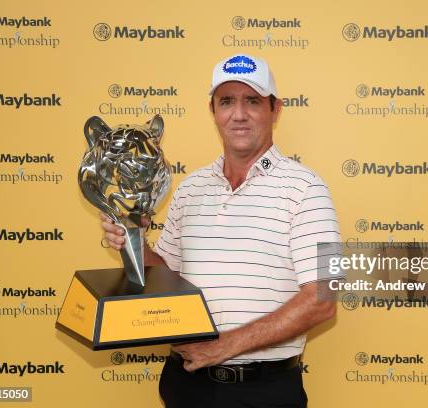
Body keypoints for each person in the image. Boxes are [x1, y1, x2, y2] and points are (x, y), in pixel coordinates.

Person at [101, 54, 341, 408]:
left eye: (253, 101)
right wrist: (132, 240)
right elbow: (168, 281)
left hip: (264, 393)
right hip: (186, 386)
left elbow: (325, 298)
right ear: (213, 110)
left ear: (276, 110)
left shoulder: (308, 189)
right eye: (226, 101)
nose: (239, 114)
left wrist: (222, 347)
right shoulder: (189, 188)